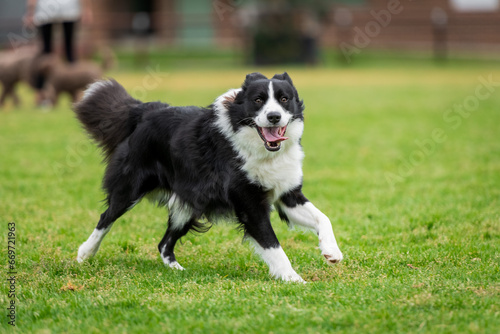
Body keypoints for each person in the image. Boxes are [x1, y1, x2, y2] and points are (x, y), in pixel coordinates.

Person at [23, 0, 93, 106]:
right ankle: (43, 93)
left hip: (67, 8)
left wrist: (86, 9)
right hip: (47, 8)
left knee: (68, 52)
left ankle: (74, 92)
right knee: (46, 55)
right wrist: (31, 11)